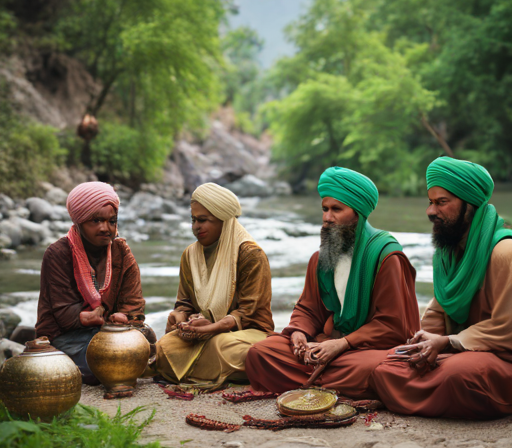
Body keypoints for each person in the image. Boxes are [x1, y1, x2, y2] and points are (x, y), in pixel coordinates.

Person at [245, 167, 420, 397]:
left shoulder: (386, 257)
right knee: (261, 352)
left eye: (337, 209)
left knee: (378, 369)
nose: (327, 218)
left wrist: (343, 344)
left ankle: (321, 380)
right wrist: (299, 334)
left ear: (358, 213)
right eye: (325, 209)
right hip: (325, 345)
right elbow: (308, 308)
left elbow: (393, 326)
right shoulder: (320, 259)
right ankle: (333, 382)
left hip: (368, 350)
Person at [371, 157, 512, 419]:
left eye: (441, 202)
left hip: (501, 358)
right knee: (389, 366)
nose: (431, 211)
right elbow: (441, 308)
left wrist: (448, 342)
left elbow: (507, 328)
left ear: (469, 205)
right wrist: (423, 341)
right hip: (462, 350)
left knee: (459, 375)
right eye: (430, 202)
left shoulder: (505, 252)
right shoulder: (448, 253)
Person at [152, 183, 274, 390]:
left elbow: (248, 312)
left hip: (246, 332)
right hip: (204, 331)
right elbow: (184, 303)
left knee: (225, 347)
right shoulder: (189, 255)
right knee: (165, 346)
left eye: (203, 220)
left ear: (224, 221)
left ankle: (197, 372)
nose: (196, 227)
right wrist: (180, 317)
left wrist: (212, 328)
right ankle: (216, 373)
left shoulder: (251, 255)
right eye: (193, 220)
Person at [36, 182, 149, 385]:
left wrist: (123, 316)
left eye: (111, 221)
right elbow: (62, 314)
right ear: (79, 221)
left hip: (112, 331)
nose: (105, 228)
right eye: (95, 221)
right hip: (69, 336)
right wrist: (88, 317)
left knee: (146, 339)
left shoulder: (121, 251)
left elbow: (134, 300)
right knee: (100, 362)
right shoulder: (58, 253)